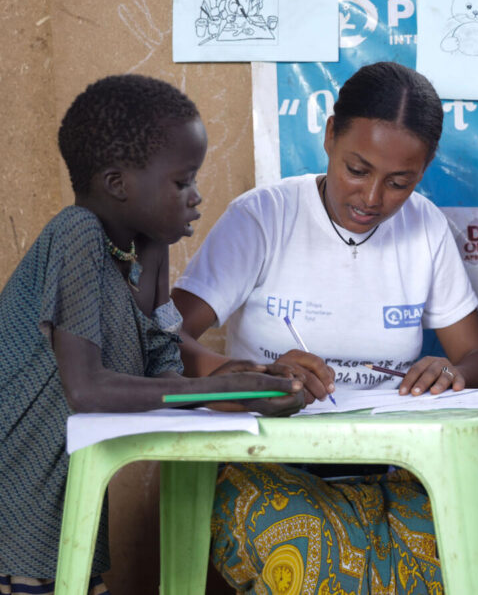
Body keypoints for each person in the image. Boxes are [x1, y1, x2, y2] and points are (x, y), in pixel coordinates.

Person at [171, 61, 478, 594]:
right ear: (329, 136)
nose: (372, 198)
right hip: (270, 464)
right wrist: (253, 375)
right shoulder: (263, 217)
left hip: (391, 469)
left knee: (454, 550)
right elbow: (164, 338)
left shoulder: (426, 228)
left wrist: (449, 369)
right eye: (357, 168)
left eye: (399, 182)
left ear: (425, 168)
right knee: (312, 554)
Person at [0, 74, 302, 595]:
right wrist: (215, 391)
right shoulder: (76, 233)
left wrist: (241, 382)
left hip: (69, 492)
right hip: (19, 490)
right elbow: (89, 389)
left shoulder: (150, 249)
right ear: (119, 184)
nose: (196, 197)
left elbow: (162, 366)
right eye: (182, 182)